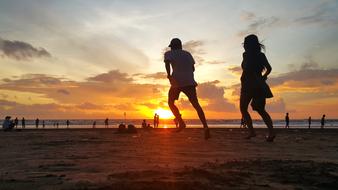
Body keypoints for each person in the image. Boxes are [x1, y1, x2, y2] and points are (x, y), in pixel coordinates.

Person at [164, 38, 210, 139]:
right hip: (189, 82)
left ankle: (181, 122)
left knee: (171, 102)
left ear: (173, 47)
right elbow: (193, 68)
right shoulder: (188, 54)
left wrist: (169, 75)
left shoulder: (168, 54)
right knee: (196, 105)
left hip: (177, 82)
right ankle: (205, 127)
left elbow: (167, 63)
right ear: (180, 46)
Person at [239, 34, 275, 142]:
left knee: (245, 108)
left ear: (249, 45)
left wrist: (263, 77)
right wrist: (263, 77)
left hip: (249, 85)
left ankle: (253, 132)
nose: (244, 45)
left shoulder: (250, 55)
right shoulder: (257, 55)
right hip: (255, 84)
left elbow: (269, 68)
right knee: (259, 110)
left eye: (245, 43)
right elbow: (269, 69)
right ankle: (269, 132)